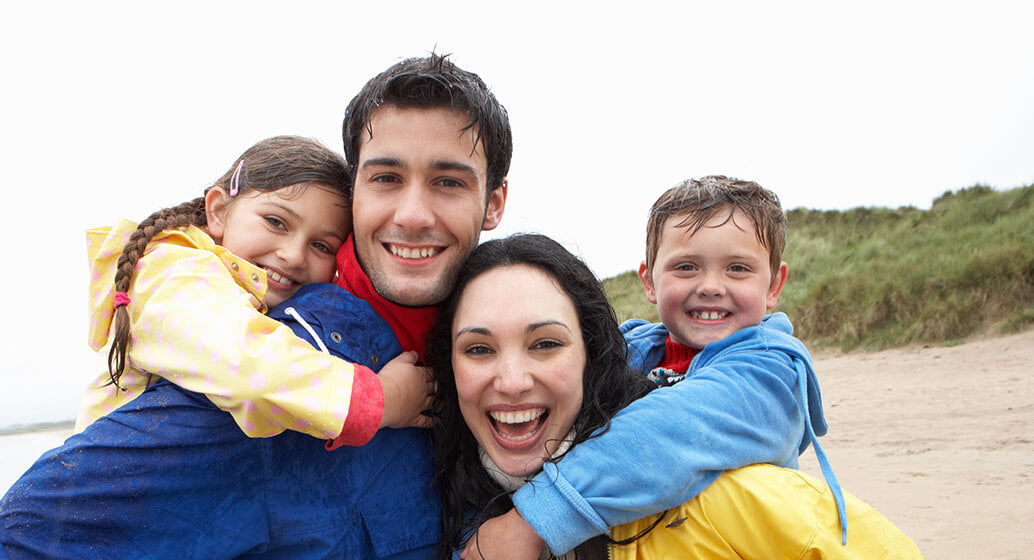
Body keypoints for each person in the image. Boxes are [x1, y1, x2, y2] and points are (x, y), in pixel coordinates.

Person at [0, 52, 511, 559]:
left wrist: (539, 521)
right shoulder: (278, 342)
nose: (413, 214)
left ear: (494, 203)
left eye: (448, 182)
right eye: (387, 178)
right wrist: (378, 400)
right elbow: (26, 538)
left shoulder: (496, 318)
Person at [430, 233, 923, 558]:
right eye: (478, 348)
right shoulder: (444, 499)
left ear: (594, 353)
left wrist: (535, 521)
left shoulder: (729, 497)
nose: (512, 380)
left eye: (546, 344)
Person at [465, 176, 844, 558]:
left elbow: (673, 431)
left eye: (738, 269)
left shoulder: (771, 373)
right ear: (649, 281)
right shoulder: (632, 351)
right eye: (686, 267)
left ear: (774, 285)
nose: (711, 285)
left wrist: (535, 519)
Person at [76, 135, 431, 448]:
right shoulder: (173, 273)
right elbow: (245, 365)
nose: (293, 255)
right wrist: (385, 399)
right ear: (218, 210)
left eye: (322, 246)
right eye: (275, 222)